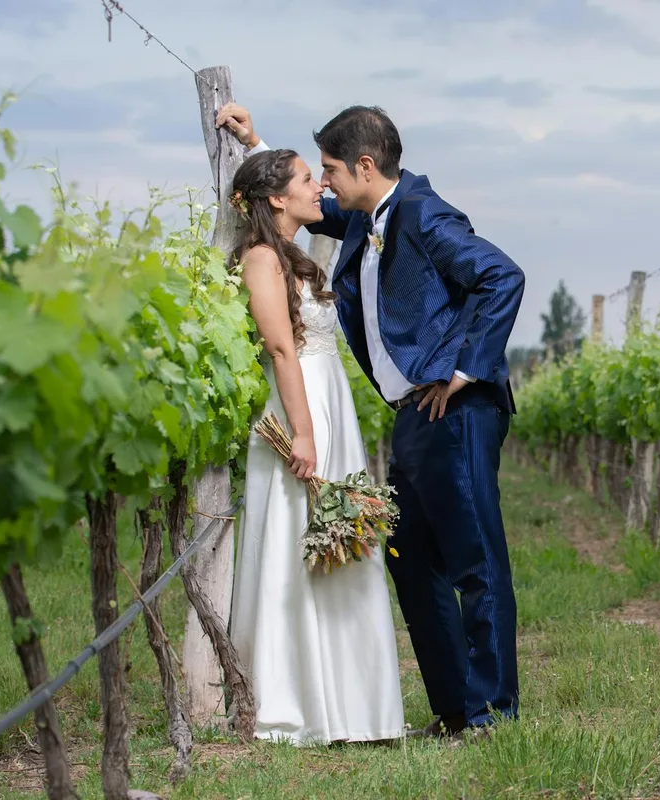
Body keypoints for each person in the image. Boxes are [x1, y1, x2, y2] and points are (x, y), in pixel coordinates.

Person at [216, 102, 525, 739]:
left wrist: (466, 370)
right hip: (412, 413)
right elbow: (289, 202)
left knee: (474, 559)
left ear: (364, 165)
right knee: (409, 557)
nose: (323, 183)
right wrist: (253, 140)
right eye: (316, 173)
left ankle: (493, 712)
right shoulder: (363, 219)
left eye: (329, 170)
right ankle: (453, 710)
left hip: (456, 406)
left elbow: (502, 276)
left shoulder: (421, 212)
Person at [225, 147, 405, 746]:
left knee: (340, 546)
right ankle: (300, 702)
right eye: (308, 180)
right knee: (295, 547)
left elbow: (280, 177)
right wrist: (302, 433)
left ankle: (356, 705)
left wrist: (255, 143)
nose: (318, 188)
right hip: (301, 413)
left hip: (330, 408)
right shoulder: (259, 258)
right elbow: (281, 349)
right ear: (277, 198)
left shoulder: (291, 253)